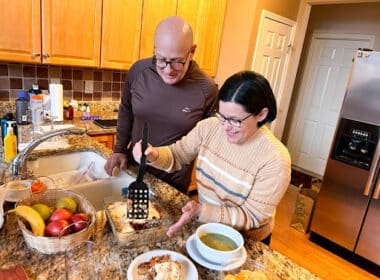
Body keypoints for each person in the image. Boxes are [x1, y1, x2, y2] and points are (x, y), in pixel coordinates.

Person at [132, 70, 291, 245]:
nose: (225, 127)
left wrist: (203, 211)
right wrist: (153, 154)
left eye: (235, 120)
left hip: (246, 241)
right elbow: (177, 155)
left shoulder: (275, 159)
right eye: (222, 116)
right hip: (207, 225)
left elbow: (252, 216)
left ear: (261, 114)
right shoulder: (209, 128)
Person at [104, 16, 218, 193]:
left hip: (173, 185)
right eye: (161, 59)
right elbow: (126, 110)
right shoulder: (138, 72)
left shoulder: (207, 89)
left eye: (177, 61)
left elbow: (210, 141)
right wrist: (119, 149)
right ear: (155, 49)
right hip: (133, 174)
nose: (168, 70)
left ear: (192, 51)